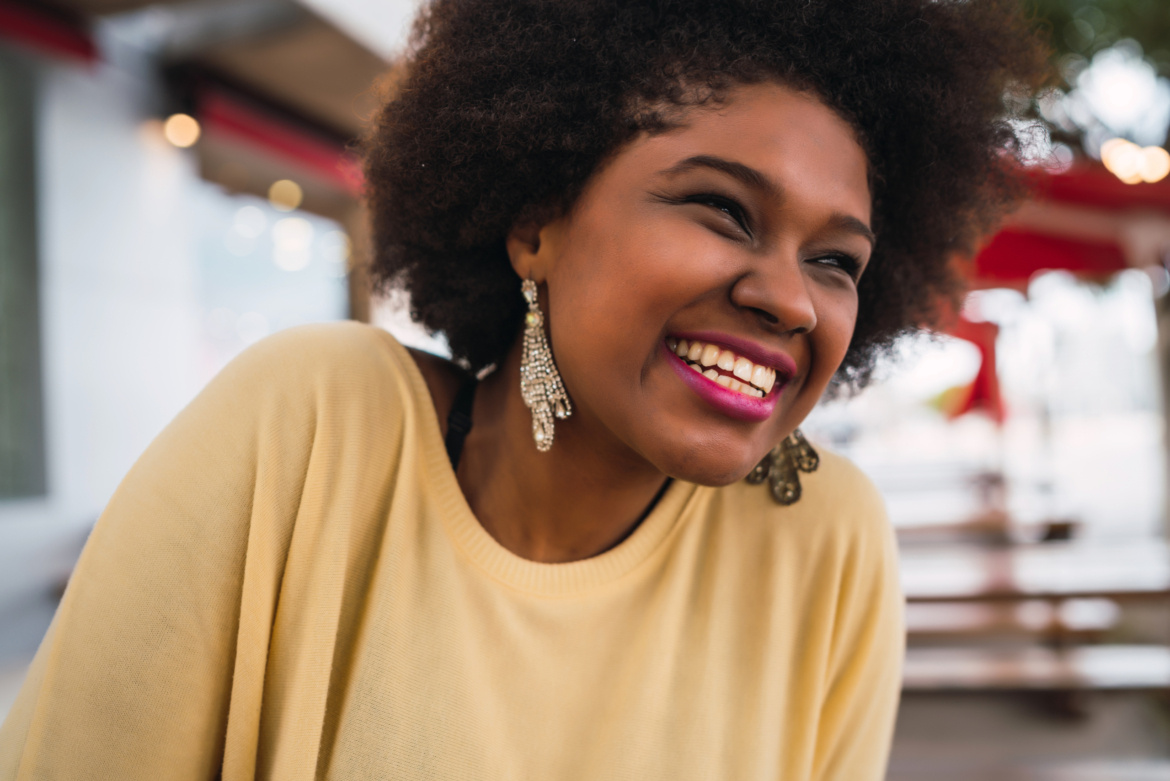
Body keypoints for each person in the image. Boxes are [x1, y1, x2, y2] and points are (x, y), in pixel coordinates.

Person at [0, 1, 1049, 778]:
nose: (788, 298)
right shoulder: (310, 425)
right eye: (722, 210)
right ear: (535, 220)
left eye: (836, 262)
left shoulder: (826, 544)